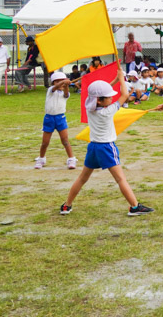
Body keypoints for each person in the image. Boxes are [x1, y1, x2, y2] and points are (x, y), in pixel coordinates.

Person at [60, 72, 154, 216]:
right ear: (99, 100)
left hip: (93, 147)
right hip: (106, 147)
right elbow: (124, 95)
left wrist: (115, 79)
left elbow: (97, 94)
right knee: (120, 179)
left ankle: (67, 205)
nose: (111, 98)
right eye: (109, 97)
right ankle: (134, 207)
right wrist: (121, 79)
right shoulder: (107, 111)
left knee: (82, 178)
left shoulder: (88, 104)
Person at [34, 71, 78, 170]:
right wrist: (63, 82)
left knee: (65, 140)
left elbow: (66, 93)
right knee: (45, 142)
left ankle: (71, 159)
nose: (60, 83)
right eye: (57, 81)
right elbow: (56, 87)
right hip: (49, 118)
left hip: (60, 118)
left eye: (62, 81)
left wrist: (66, 85)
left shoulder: (65, 93)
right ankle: (41, 159)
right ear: (53, 82)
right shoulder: (50, 90)